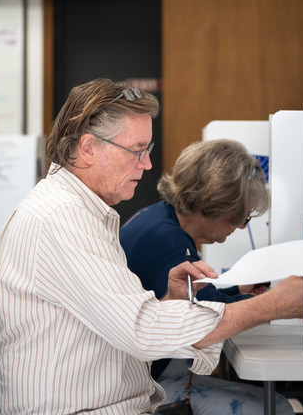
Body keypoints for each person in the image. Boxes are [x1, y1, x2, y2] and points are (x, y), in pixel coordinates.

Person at [0, 78, 303, 415]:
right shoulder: (62, 218)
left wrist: (169, 301)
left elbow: (120, 323)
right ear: (89, 147)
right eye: (137, 151)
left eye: (147, 151)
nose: (147, 164)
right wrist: (273, 306)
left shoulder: (76, 211)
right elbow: (142, 330)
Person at [120, 139, 294, 415]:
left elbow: (200, 299)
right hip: (144, 389)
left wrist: (239, 290)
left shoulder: (157, 218)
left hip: (139, 375)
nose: (240, 226)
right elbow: (209, 317)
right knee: (277, 408)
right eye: (241, 216)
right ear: (216, 203)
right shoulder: (169, 243)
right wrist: (279, 302)